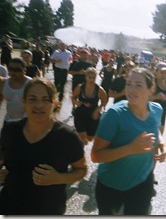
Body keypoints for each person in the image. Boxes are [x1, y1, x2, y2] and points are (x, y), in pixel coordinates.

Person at [0, 77, 87, 215]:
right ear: (24, 102)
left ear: (54, 102)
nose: (38, 105)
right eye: (32, 99)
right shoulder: (10, 130)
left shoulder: (67, 136)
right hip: (9, 206)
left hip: (48, 210)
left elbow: (81, 169)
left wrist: (59, 178)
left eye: (45, 99)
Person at [91, 67, 166, 215]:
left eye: (138, 85)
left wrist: (162, 144)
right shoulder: (114, 115)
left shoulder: (157, 109)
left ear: (150, 90)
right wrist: (130, 148)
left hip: (143, 181)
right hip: (112, 185)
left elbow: (155, 128)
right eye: (129, 84)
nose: (131, 89)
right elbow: (96, 156)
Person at [72, 68, 108, 145]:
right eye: (90, 77)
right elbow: (73, 96)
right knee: (82, 137)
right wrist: (75, 103)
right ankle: (81, 151)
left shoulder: (99, 89)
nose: (91, 80)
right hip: (80, 113)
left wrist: (98, 109)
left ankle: (82, 142)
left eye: (94, 78)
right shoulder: (80, 87)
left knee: (90, 138)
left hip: (93, 115)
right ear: (86, 77)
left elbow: (105, 100)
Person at [0, 58, 32, 124]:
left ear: (24, 70)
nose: (13, 72)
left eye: (17, 70)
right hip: (9, 120)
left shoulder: (31, 84)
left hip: (27, 122)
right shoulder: (3, 83)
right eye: (10, 69)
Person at [151, 62, 166, 134]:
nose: (164, 75)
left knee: (160, 134)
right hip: (151, 113)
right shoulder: (152, 83)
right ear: (156, 72)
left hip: (162, 112)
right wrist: (155, 97)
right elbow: (145, 99)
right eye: (162, 72)